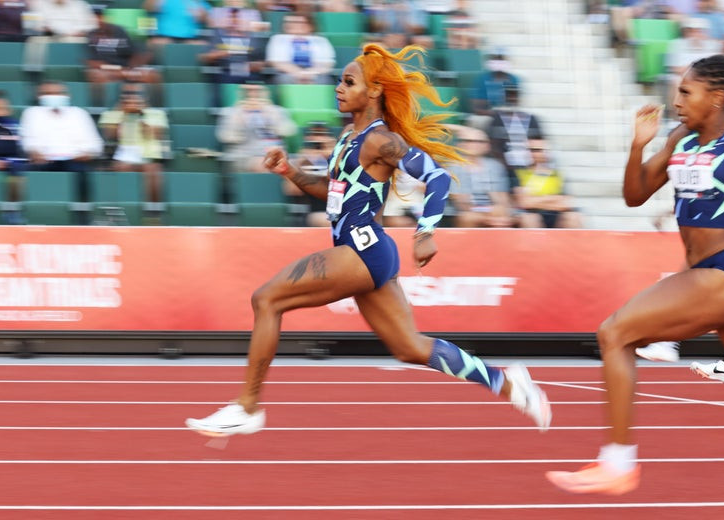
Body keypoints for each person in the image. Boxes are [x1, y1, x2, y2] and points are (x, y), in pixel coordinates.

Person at [185, 44, 551, 436]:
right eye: (339, 81)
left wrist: (425, 231)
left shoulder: (381, 141)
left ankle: (247, 407)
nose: (338, 88)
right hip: (365, 251)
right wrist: (290, 171)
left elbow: (438, 177)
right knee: (409, 347)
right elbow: (332, 190)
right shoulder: (347, 136)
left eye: (348, 81)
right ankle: (507, 381)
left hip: (364, 248)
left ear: (374, 90)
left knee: (266, 298)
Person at [546, 49, 724, 495]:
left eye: (685, 92)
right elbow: (634, 195)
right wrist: (641, 144)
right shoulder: (680, 140)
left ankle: (617, 464)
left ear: (716, 97)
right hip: (718, 279)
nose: (676, 101)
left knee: (615, 333)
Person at [19, 80, 103, 203]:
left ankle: (83, 214)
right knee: (29, 172)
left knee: (83, 174)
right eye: (48, 93)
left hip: (75, 160)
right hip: (43, 161)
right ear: (39, 96)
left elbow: (96, 144)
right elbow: (26, 140)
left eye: (57, 93)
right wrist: (34, 152)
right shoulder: (32, 113)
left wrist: (87, 153)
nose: (53, 96)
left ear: (67, 95)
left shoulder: (79, 113)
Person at [98, 83, 169, 203]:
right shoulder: (110, 114)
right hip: (122, 155)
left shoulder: (157, 114)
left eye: (136, 95)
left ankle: (153, 210)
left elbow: (157, 135)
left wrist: (141, 115)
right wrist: (122, 114)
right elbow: (110, 136)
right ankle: (126, 209)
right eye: (128, 95)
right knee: (121, 168)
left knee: (152, 170)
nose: (132, 98)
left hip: (148, 155)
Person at [85, 4, 161, 107]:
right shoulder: (92, 35)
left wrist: (130, 69)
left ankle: (155, 108)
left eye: (101, 16)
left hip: (126, 68)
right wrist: (120, 72)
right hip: (107, 71)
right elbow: (93, 62)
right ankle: (106, 108)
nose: (99, 19)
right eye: (96, 16)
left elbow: (135, 53)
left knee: (153, 75)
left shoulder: (119, 30)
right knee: (98, 76)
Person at [215, 83, 297, 173]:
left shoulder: (277, 111)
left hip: (275, 155)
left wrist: (271, 116)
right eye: (248, 91)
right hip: (245, 156)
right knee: (265, 165)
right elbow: (225, 137)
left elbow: (289, 131)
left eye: (257, 91)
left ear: (266, 93)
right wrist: (238, 118)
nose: (252, 94)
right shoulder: (230, 112)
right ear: (240, 93)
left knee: (300, 165)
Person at [447, 124, 514, 228]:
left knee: (529, 218)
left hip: (495, 211)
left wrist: (501, 211)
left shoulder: (495, 166)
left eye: (479, 141)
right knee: (468, 218)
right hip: (468, 210)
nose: (474, 145)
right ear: (460, 144)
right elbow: (462, 203)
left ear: (487, 146)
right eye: (468, 141)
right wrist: (489, 212)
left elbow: (502, 197)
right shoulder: (453, 167)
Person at [514, 137, 583, 229]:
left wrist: (535, 200)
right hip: (532, 214)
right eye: (532, 150)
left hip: (555, 215)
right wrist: (551, 198)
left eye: (540, 150)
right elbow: (524, 203)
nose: (535, 153)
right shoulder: (519, 173)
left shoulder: (557, 174)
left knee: (573, 217)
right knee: (529, 218)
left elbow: (565, 203)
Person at [264, 13, 335, 85]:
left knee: (324, 81)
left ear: (310, 26)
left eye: (297, 22)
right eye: (288, 22)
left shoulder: (320, 40)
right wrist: (298, 73)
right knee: (284, 80)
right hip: (287, 73)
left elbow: (326, 63)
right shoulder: (278, 39)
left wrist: (309, 73)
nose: (291, 25)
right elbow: (276, 62)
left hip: (315, 74)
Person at [0, 90, 25, 224]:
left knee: (17, 170)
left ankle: (12, 210)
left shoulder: (14, 125)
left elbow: (19, 152)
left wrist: (6, 161)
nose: (1, 112)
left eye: (3, 108)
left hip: (11, 163)